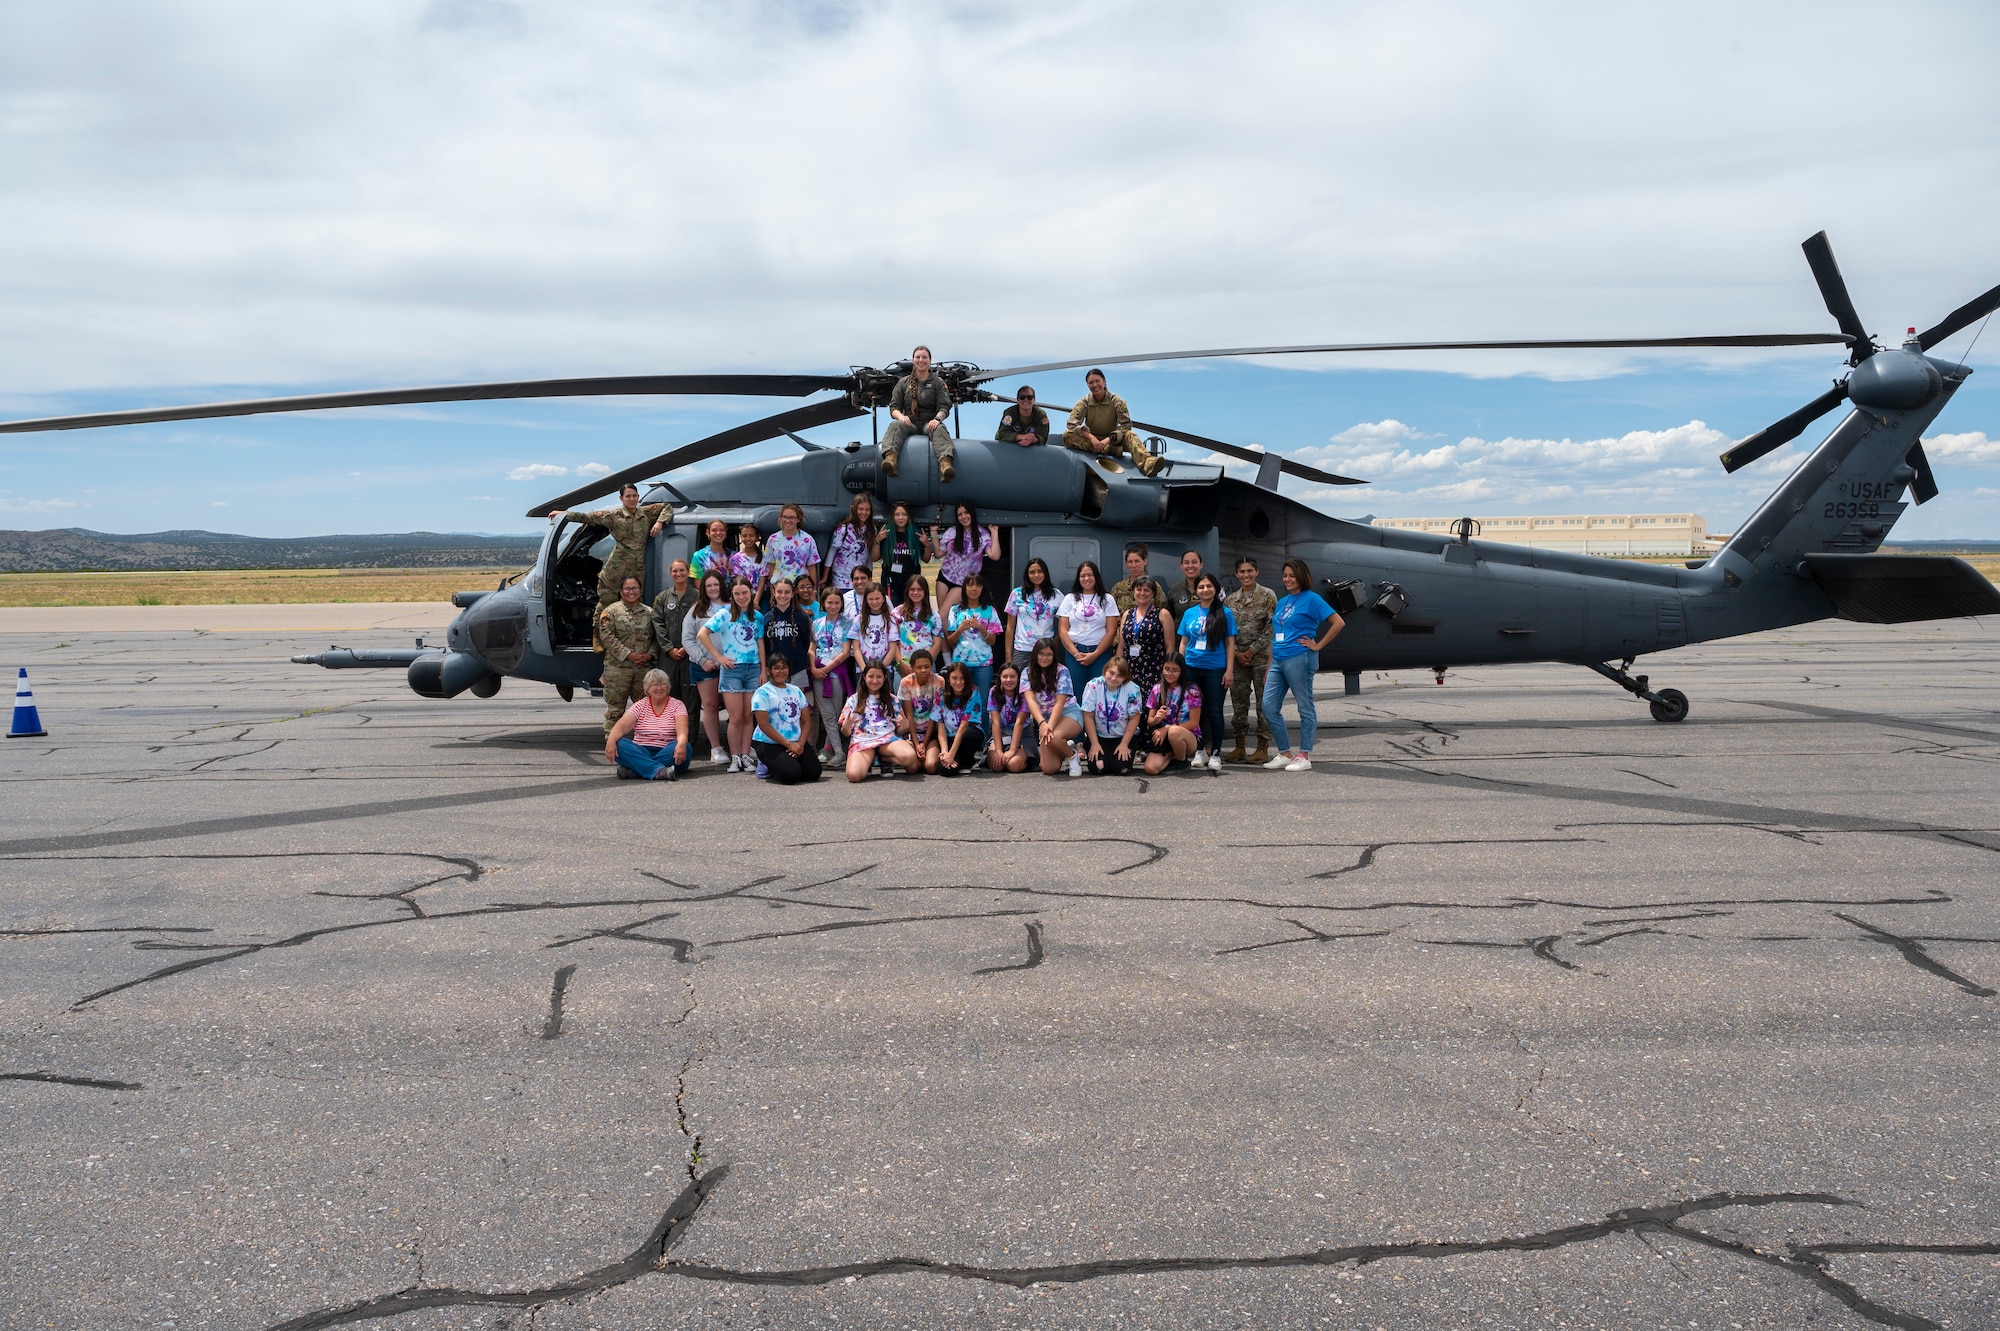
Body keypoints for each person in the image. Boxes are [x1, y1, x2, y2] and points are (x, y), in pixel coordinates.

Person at [1262, 557, 1345, 773]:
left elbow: (1338, 622)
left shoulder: (1312, 599)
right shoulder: (1283, 602)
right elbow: (1276, 634)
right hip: (1278, 659)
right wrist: (1270, 665)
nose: (1288, 579)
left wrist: (1318, 645)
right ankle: (1285, 753)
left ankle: (1305, 755)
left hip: (1299, 657)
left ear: (1301, 576)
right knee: (1269, 707)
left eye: (1292, 575)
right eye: (1285, 575)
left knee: (1304, 706)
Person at [550, 482, 667, 608]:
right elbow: (588, 517)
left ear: (638, 496)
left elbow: (666, 507)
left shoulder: (646, 513)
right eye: (628, 496)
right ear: (621, 498)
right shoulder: (613, 516)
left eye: (634, 496)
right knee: (606, 604)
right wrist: (565, 515)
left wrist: (660, 522)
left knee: (636, 604)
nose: (632, 499)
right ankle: (600, 627)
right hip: (616, 568)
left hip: (637, 569)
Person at [698, 576, 766, 773]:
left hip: (752, 668)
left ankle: (745, 755)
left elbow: (760, 642)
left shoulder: (757, 616)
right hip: (732, 670)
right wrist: (718, 656)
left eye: (744, 593)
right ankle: (734, 756)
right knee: (735, 717)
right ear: (732, 595)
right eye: (737, 594)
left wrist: (763, 669)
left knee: (748, 716)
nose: (741, 597)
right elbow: (702, 633)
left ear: (751, 592)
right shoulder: (724, 613)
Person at [1176, 572, 1236, 771]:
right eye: (1201, 587)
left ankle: (1216, 752)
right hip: (1192, 667)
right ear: (1196, 591)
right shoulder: (1189, 613)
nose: (1205, 590)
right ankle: (1200, 750)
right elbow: (1184, 642)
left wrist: (1229, 670)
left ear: (1216, 589)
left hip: (1215, 669)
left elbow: (1230, 643)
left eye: (1209, 586)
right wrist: (1181, 667)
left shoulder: (1224, 613)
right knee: (1195, 711)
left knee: (1214, 711)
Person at [1225, 556, 1278, 765]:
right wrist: (1238, 652)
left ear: (1256, 572)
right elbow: (1226, 629)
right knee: (1239, 704)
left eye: (1250, 571)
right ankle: (1239, 747)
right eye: (1242, 572)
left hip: (1261, 658)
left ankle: (1262, 748)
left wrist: (1252, 650)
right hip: (1238, 660)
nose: (1246, 575)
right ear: (1237, 574)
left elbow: (1273, 626)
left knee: (1263, 703)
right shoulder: (1230, 600)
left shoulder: (1267, 596)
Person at [1063, 369, 1162, 476]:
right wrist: (1091, 438)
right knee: (1067, 435)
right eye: (1091, 383)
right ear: (1087, 385)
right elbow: (1072, 424)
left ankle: (1148, 464)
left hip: (1113, 439)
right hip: (1091, 441)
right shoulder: (1083, 402)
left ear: (1104, 381)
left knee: (1131, 435)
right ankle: (1110, 450)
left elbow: (1126, 425)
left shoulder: (1117, 401)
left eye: (1097, 381)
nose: (1095, 385)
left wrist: (1108, 439)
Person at [880, 345, 957, 481]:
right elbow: (894, 407)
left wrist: (937, 419)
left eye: (924, 357)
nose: (921, 360)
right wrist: (901, 417)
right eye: (918, 357)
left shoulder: (938, 383)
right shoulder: (903, 383)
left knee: (939, 429)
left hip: (929, 423)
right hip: (909, 423)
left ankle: (945, 465)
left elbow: (944, 407)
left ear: (930, 360)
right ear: (913, 360)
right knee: (895, 425)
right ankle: (890, 460)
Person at [594, 575, 657, 733]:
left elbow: (657, 638)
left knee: (645, 711)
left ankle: (643, 745)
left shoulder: (649, 613)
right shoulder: (611, 612)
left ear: (640, 590)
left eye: (634, 588)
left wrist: (650, 655)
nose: (631, 591)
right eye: (627, 588)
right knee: (615, 712)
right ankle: (613, 745)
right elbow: (607, 637)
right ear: (621, 591)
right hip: (618, 671)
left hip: (643, 670)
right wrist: (628, 654)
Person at [605, 668, 692, 781]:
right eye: (655, 685)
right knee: (620, 744)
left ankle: (635, 771)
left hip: (667, 751)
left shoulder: (677, 705)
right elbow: (622, 724)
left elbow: (682, 727)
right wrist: (611, 740)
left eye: (663, 684)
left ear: (668, 686)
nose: (659, 688)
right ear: (647, 689)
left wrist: (681, 743)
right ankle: (659, 771)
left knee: (686, 747)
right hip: (641, 749)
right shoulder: (640, 705)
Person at [841, 660, 920, 781]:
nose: (874, 680)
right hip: (863, 742)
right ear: (864, 677)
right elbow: (845, 732)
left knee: (909, 757)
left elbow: (900, 730)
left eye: (879, 677)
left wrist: (905, 725)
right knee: (854, 775)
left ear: (884, 678)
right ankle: (870, 759)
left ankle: (884, 758)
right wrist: (847, 724)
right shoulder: (853, 699)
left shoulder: (893, 699)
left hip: (887, 740)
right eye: (871, 676)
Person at [650, 558, 699, 750]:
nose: (679, 574)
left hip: (690, 655)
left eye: (682, 571)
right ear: (671, 573)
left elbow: (700, 624)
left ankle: (689, 742)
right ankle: (669, 740)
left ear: (688, 572)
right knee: (669, 698)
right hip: (668, 657)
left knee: (691, 700)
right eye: (675, 571)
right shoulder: (662, 598)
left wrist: (686, 647)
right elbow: (658, 624)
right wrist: (669, 648)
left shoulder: (697, 596)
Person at [751, 654, 822, 785]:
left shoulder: (796, 690)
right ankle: (766, 765)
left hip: (795, 740)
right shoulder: (762, 693)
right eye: (776, 668)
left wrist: (800, 744)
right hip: (768, 742)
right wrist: (789, 745)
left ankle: (788, 761)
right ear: (768, 670)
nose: (781, 671)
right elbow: (763, 724)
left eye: (784, 668)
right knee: (790, 775)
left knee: (813, 773)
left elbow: (806, 721)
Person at [682, 570, 729, 765]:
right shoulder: (696, 610)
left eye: (716, 585)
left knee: (737, 710)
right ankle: (716, 748)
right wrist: (702, 660)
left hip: (731, 665)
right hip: (705, 666)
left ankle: (741, 748)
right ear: (703, 588)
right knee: (710, 707)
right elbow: (687, 639)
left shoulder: (732, 607)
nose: (712, 588)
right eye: (708, 585)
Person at [1022, 637, 1085, 777]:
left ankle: (1072, 757)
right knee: (1049, 769)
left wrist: (1047, 726)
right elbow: (1031, 701)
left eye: (1049, 654)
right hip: (1044, 719)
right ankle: (1065, 746)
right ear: (1035, 654)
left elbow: (1060, 703)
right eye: (1041, 654)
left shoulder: (1062, 671)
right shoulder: (1027, 673)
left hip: (1068, 713)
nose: (1045, 657)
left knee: (1055, 737)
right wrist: (1042, 724)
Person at [1057, 560, 1118, 691]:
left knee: (1100, 690)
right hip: (1075, 653)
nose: (1086, 578)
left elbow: (1111, 631)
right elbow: (1062, 630)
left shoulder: (1107, 599)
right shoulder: (1069, 598)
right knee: (1076, 691)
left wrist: (1095, 654)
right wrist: (1076, 654)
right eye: (1082, 575)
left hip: (1100, 653)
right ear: (1078, 578)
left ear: (1096, 577)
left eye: (1090, 575)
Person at [809, 587, 854, 763]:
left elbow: (845, 652)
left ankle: (832, 749)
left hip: (836, 673)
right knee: (826, 714)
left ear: (841, 604)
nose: (833, 606)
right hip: (818, 671)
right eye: (829, 602)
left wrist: (826, 670)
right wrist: (813, 668)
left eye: (836, 602)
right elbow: (812, 648)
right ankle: (837, 751)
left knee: (834, 714)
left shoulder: (846, 623)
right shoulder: (817, 623)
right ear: (824, 603)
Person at [944, 572, 1002, 703]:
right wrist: (960, 629)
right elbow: (950, 641)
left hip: (983, 664)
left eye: (977, 585)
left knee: (982, 702)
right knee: (960, 700)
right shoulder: (955, 610)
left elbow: (992, 641)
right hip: (961, 663)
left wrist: (980, 627)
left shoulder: (990, 610)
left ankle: (983, 725)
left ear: (982, 588)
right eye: (970, 585)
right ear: (964, 588)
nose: (974, 588)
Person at [1080, 655, 1142, 776]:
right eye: (1111, 673)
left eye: (1119, 675)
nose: (1114, 678)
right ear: (1105, 671)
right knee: (1098, 768)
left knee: (1121, 769)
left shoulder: (1133, 689)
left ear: (1125, 677)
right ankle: (1104, 756)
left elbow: (1134, 718)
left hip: (1122, 735)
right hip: (1099, 736)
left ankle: (1116, 757)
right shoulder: (1093, 685)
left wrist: (1124, 744)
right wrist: (1094, 743)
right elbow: (1088, 716)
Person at [934, 503, 999, 617]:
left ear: (972, 514)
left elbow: (994, 555)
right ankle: (947, 635)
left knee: (943, 613)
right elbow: (939, 554)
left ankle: (947, 635)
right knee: (944, 617)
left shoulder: (982, 533)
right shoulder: (952, 531)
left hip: (963, 582)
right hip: (944, 577)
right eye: (960, 514)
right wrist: (933, 533)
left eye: (966, 512)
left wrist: (994, 533)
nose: (964, 516)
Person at [1141, 654, 1202, 776]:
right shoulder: (1157, 688)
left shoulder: (1191, 689)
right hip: (1164, 739)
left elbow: (1194, 723)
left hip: (1187, 736)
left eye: (1175, 670)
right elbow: (1150, 720)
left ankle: (1182, 761)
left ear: (1182, 671)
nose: (1170, 673)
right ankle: (1172, 755)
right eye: (1167, 669)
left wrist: (1167, 728)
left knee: (1174, 732)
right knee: (1151, 769)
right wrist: (1157, 718)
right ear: (1162, 669)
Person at [1118, 575, 1176, 695]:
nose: (1142, 593)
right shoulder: (1127, 615)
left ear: (1153, 594)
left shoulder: (1163, 614)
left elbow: (1170, 646)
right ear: (1133, 592)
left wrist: (1167, 670)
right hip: (1130, 669)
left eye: (1147, 590)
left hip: (1154, 669)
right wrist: (1119, 667)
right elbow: (1121, 646)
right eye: (1139, 589)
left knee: (1152, 707)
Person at [1003, 557, 1059, 670]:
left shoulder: (1056, 595)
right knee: (1018, 684)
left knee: (1045, 684)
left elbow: (1066, 625)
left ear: (1045, 573)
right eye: (1032, 572)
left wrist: (1054, 643)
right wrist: (1008, 657)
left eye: (1040, 571)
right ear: (1027, 574)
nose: (1036, 575)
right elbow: (1010, 627)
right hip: (1022, 649)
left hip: (1045, 650)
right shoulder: (1017, 594)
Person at [759, 503, 821, 605]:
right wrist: (772, 590)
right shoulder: (773, 539)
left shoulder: (807, 540)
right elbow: (771, 566)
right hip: (780, 589)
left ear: (798, 519)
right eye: (785, 517)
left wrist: (813, 591)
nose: (788, 520)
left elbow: (811, 566)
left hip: (801, 589)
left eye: (792, 517)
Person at [761, 575, 813, 688]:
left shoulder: (802, 617)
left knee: (795, 704)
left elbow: (806, 642)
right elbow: (764, 646)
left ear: (793, 593)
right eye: (779, 592)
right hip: (774, 671)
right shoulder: (766, 618)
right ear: (774, 592)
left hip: (797, 670)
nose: (783, 595)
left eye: (787, 592)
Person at [935, 662, 985, 776]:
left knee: (970, 734)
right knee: (945, 771)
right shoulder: (941, 694)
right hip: (948, 737)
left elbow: (963, 727)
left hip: (965, 735)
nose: (958, 682)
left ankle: (967, 761)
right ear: (948, 679)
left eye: (962, 679)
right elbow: (940, 725)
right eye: (954, 678)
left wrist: (951, 754)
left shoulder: (973, 693)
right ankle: (955, 761)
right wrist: (945, 752)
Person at [899, 648, 944, 774]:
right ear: (912, 667)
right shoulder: (906, 682)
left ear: (931, 666)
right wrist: (916, 743)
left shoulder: (939, 681)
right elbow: (909, 715)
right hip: (912, 732)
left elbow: (935, 713)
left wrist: (924, 743)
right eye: (919, 667)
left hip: (931, 732)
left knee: (930, 766)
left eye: (927, 666)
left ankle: (931, 752)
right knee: (913, 769)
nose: (923, 670)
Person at [824, 494, 882, 591]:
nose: (864, 512)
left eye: (867, 509)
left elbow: (868, 557)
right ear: (853, 508)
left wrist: (870, 576)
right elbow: (831, 553)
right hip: (841, 579)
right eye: (861, 509)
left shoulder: (872, 530)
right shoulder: (843, 530)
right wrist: (825, 577)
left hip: (861, 579)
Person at [890, 575, 941, 677]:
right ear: (907, 591)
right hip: (903, 667)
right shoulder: (896, 613)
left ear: (925, 591)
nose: (915, 593)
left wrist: (924, 665)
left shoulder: (934, 616)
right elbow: (892, 642)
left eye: (919, 589)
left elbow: (937, 644)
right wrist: (900, 663)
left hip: (927, 668)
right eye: (912, 589)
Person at [986, 661, 1032, 773]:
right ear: (1000, 678)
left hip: (1022, 735)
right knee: (997, 765)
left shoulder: (1024, 693)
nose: (1008, 680)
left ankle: (1027, 758)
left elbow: (1019, 723)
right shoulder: (994, 692)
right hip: (1001, 734)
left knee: (1013, 765)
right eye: (1005, 676)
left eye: (1012, 676)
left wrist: (1012, 750)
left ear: (1018, 678)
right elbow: (995, 723)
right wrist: (999, 750)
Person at [881, 502, 929, 606]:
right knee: (892, 611)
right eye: (897, 514)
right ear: (892, 517)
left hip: (911, 581)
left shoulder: (916, 534)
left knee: (911, 610)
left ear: (909, 516)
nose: (900, 517)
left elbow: (926, 559)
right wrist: (877, 541)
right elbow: (875, 557)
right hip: (891, 580)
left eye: (904, 514)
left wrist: (926, 545)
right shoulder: (886, 534)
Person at [852, 583, 896, 669]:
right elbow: (856, 648)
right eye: (871, 599)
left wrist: (881, 670)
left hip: (885, 667)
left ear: (884, 599)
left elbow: (893, 649)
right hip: (862, 667)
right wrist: (864, 668)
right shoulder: (858, 619)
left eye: (877, 598)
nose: (874, 602)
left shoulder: (890, 620)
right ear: (866, 600)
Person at [1165, 549, 1208, 625]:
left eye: (1194, 562)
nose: (1190, 566)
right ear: (1181, 566)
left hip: (1204, 635)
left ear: (1201, 564)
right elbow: (1169, 618)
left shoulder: (1209, 588)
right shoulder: (1175, 590)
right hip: (1180, 636)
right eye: (1186, 563)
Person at [690, 519, 737, 589]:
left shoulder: (735, 556)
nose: (718, 533)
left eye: (721, 530)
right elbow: (699, 586)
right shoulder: (699, 557)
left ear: (725, 532)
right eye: (714, 530)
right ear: (707, 532)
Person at [1110, 542, 1153, 614]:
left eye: (1137, 561)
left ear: (1145, 561)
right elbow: (1111, 614)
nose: (1133, 565)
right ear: (1126, 564)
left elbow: (1161, 612)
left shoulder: (1154, 587)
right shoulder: (1118, 588)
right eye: (1130, 562)